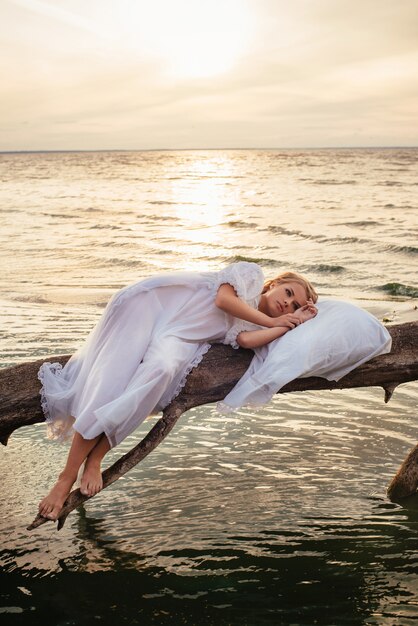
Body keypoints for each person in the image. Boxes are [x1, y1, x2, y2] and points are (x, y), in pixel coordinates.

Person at [38, 262, 317, 520]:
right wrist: (274, 322)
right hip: (149, 308)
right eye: (288, 292)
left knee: (160, 373)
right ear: (276, 283)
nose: (287, 303)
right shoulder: (251, 277)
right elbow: (223, 300)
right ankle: (66, 477)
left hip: (178, 336)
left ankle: (96, 458)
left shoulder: (257, 323)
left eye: (294, 305)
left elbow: (245, 340)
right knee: (112, 383)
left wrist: (289, 324)